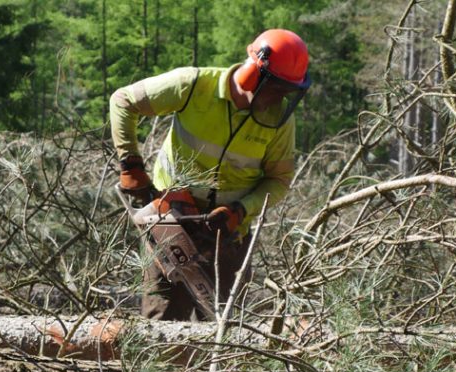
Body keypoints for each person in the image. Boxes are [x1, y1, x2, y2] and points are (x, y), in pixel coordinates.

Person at [111, 29, 310, 321]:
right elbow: (123, 101)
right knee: (160, 327)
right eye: (277, 88)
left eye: (287, 92)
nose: (279, 98)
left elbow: (278, 180)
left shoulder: (278, 120)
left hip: (227, 234)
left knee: (224, 332)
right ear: (253, 74)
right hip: (170, 224)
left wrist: (240, 211)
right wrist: (130, 164)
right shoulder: (194, 85)